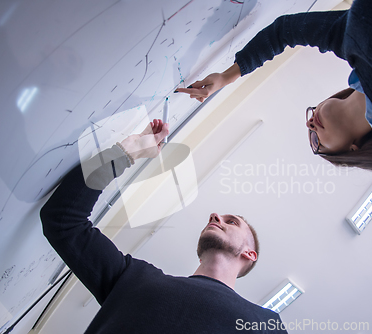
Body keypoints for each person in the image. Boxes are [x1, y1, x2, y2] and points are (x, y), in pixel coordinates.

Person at [176, 0, 372, 202]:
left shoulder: (351, 44)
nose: (310, 125)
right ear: (351, 150)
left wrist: (225, 77)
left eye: (310, 134)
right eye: (316, 142)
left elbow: (284, 31)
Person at [40, 119, 288, 333]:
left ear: (249, 254)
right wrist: (125, 153)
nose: (215, 216)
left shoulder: (263, 325)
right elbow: (63, 221)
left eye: (231, 221)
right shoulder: (134, 279)